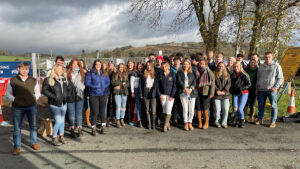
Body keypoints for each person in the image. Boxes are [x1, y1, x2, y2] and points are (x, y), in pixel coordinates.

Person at [6, 62, 41, 155]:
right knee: (17, 128)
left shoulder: (33, 80)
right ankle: (17, 146)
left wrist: (34, 99)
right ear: (19, 69)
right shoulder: (12, 80)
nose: (24, 71)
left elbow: (37, 92)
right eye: (22, 69)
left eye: (26, 69)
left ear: (28, 70)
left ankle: (33, 143)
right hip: (17, 107)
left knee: (33, 126)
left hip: (31, 106)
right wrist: (15, 99)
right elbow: (7, 93)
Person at [42, 64, 68, 146]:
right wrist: (54, 96)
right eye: (59, 69)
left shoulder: (63, 79)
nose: (61, 70)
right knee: (59, 120)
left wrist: (67, 96)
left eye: (62, 69)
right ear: (55, 70)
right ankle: (54, 137)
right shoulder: (48, 79)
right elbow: (45, 91)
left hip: (64, 103)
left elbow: (67, 89)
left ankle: (61, 136)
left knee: (62, 120)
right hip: (54, 103)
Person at [256, 52, 283, 128]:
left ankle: (273, 121)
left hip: (271, 90)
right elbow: (258, 78)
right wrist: (257, 88)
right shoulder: (261, 66)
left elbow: (280, 78)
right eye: (266, 57)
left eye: (269, 57)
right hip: (261, 89)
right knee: (261, 105)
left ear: (272, 57)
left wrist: (275, 87)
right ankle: (260, 119)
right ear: (264, 57)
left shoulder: (276, 66)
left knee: (273, 106)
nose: (267, 58)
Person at [85, 60, 110, 135]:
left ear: (101, 65)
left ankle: (103, 126)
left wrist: (103, 87)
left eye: (99, 64)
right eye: (96, 64)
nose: (98, 66)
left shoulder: (104, 73)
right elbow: (87, 83)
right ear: (94, 65)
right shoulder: (90, 73)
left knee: (102, 111)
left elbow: (108, 82)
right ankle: (93, 127)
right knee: (95, 112)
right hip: (94, 95)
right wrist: (95, 87)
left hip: (103, 94)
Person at [66, 59, 85, 137]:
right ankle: (72, 128)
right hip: (70, 96)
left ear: (79, 65)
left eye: (77, 64)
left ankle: (80, 128)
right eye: (73, 64)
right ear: (71, 65)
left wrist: (79, 86)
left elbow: (85, 84)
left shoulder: (82, 73)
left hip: (79, 95)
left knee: (79, 113)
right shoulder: (67, 73)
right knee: (71, 113)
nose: (75, 65)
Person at [176, 59, 198, 131]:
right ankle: (185, 123)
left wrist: (190, 89)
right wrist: (185, 89)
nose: (186, 66)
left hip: (192, 93)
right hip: (183, 93)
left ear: (189, 65)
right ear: (182, 65)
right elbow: (179, 81)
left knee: (191, 110)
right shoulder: (179, 73)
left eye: (187, 64)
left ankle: (190, 123)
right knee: (185, 109)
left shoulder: (192, 73)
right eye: (184, 64)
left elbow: (194, 82)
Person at [230, 62, 251, 128]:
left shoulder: (244, 75)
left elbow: (249, 85)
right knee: (235, 108)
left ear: (240, 67)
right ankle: (236, 119)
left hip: (243, 93)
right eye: (234, 66)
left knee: (240, 108)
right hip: (235, 93)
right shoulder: (232, 75)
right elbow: (230, 84)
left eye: (237, 66)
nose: (236, 68)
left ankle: (241, 120)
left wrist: (241, 88)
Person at [195, 59, 215, 130]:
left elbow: (212, 84)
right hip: (197, 93)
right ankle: (200, 122)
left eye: (203, 64)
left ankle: (206, 122)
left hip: (205, 93)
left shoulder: (210, 72)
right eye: (200, 63)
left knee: (205, 107)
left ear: (206, 64)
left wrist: (211, 93)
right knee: (198, 108)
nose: (201, 65)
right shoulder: (196, 71)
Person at [157, 62, 177, 132]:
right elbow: (157, 86)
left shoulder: (173, 74)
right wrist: (159, 94)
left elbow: (175, 86)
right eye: (163, 67)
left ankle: (165, 126)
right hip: (162, 95)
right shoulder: (160, 74)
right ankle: (168, 123)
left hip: (170, 96)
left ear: (168, 67)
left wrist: (172, 96)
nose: (164, 68)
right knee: (164, 110)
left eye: (165, 66)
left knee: (168, 109)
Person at [140, 61, 157, 129]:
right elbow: (141, 86)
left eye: (149, 65)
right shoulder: (143, 74)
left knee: (153, 110)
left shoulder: (155, 74)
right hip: (146, 91)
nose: (148, 66)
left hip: (153, 92)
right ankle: (149, 124)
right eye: (147, 65)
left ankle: (153, 124)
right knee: (147, 110)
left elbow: (157, 84)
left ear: (152, 66)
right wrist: (141, 94)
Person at [111, 63, 129, 128]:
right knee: (118, 106)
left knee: (123, 107)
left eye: (122, 67)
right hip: (117, 92)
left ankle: (122, 119)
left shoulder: (126, 74)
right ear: (118, 68)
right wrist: (122, 84)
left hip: (124, 93)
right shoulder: (115, 74)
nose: (121, 68)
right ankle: (117, 121)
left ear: (124, 67)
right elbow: (113, 82)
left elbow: (128, 83)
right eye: (120, 67)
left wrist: (120, 85)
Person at [214, 62, 231, 128]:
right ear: (217, 66)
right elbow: (213, 83)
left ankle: (224, 122)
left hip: (225, 95)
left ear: (224, 67)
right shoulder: (214, 74)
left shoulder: (227, 74)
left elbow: (229, 84)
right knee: (217, 110)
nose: (220, 67)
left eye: (222, 66)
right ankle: (217, 122)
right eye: (219, 66)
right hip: (217, 95)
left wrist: (224, 91)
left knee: (225, 109)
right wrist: (217, 90)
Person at [130, 62, 144, 127]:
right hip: (136, 90)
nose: (140, 67)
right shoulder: (134, 73)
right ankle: (139, 120)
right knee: (138, 106)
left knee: (142, 106)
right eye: (139, 66)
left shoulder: (144, 73)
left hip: (143, 91)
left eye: (141, 66)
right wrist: (132, 92)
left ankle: (141, 119)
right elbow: (131, 83)